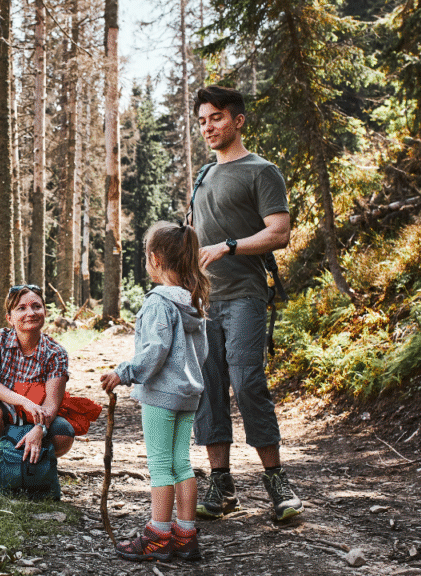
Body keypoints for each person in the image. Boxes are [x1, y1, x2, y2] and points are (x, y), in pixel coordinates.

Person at [189, 85, 302, 522]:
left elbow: (279, 232)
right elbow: (194, 239)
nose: (208, 127)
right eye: (202, 120)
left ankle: (276, 482)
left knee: (248, 380)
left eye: (216, 117)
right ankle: (222, 484)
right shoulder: (202, 176)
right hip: (204, 304)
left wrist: (228, 246)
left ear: (237, 120)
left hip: (246, 297)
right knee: (209, 389)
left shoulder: (262, 171)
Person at [101, 221, 209, 562]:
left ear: (154, 258)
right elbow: (200, 353)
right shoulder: (194, 302)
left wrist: (124, 372)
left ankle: (158, 536)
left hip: (162, 396)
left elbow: (154, 351)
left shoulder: (159, 302)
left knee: (161, 466)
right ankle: (186, 534)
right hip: (189, 394)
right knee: (182, 464)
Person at [0, 285, 75, 483]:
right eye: (21, 308)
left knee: (63, 435)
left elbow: (51, 404)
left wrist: (39, 429)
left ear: (45, 311)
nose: (30, 313)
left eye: (36, 306)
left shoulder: (56, 353)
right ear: (10, 317)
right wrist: (24, 401)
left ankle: (30, 465)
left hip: (35, 419)